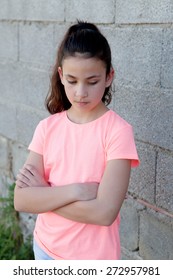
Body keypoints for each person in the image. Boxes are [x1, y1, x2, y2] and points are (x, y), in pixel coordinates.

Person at [14, 20, 139, 260]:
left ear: (109, 76)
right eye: (72, 81)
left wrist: (44, 195)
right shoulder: (47, 128)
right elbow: (22, 199)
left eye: (92, 82)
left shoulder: (117, 132)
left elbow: (104, 213)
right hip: (45, 250)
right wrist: (77, 190)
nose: (80, 92)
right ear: (61, 75)